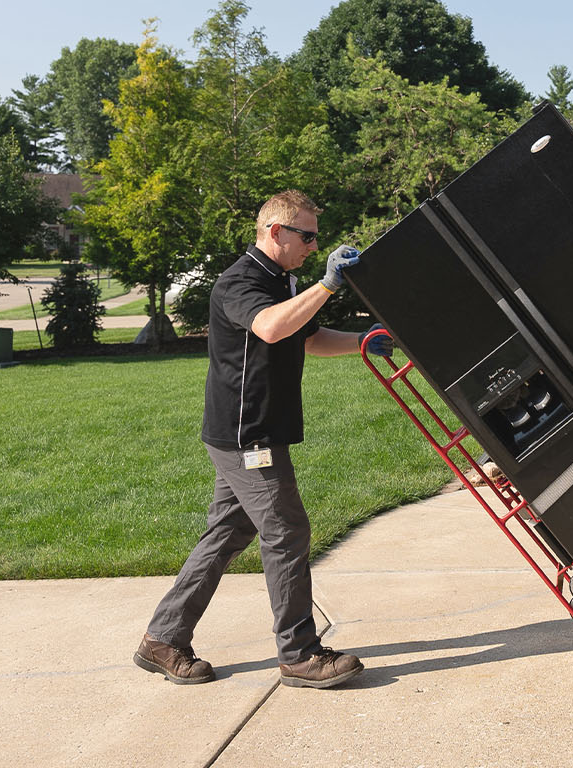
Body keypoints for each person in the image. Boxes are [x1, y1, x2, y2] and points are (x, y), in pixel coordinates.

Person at [134, 190, 394, 689]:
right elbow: (272, 328)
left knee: (228, 533)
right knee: (286, 531)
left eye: (317, 237)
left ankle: (163, 638)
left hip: (255, 429)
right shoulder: (240, 281)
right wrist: (327, 286)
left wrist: (366, 340)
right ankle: (299, 655)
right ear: (275, 231)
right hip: (245, 435)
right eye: (307, 235)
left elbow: (309, 338)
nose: (314, 246)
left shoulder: (283, 280)